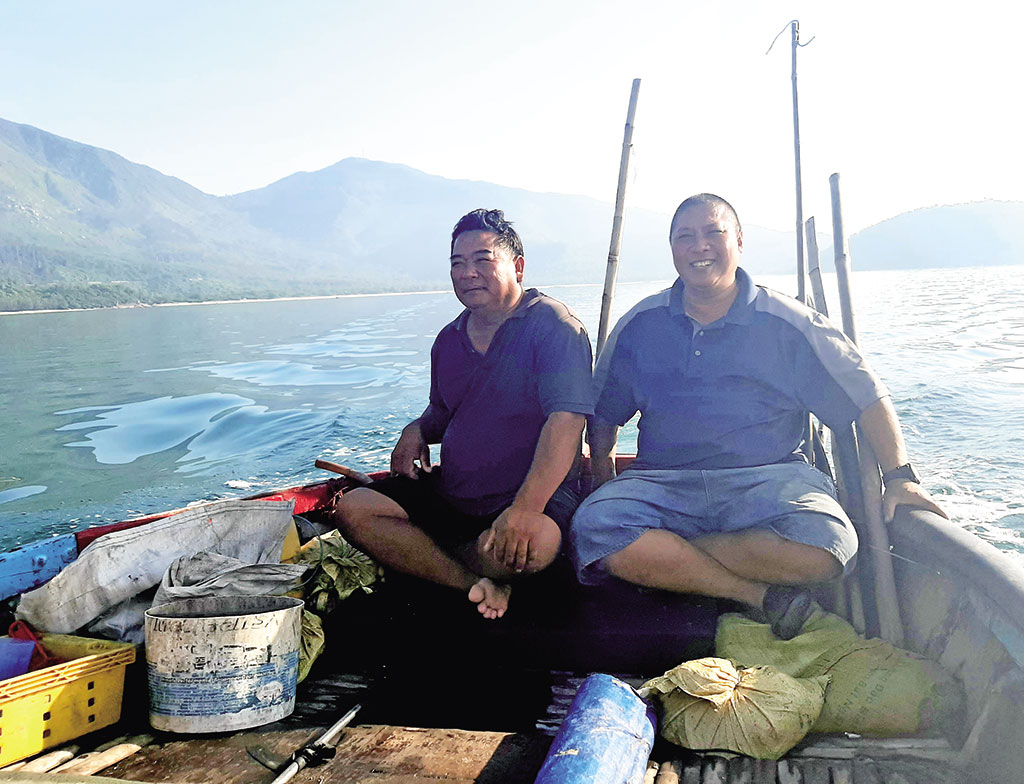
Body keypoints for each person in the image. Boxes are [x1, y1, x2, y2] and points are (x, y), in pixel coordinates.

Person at [569, 193, 946, 639]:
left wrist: (900, 476)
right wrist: (600, 472)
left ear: (740, 241)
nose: (699, 246)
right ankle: (759, 596)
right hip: (664, 482)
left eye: (714, 233)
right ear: (672, 250)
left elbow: (867, 395)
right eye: (685, 237)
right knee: (593, 529)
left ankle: (671, 560)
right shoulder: (641, 323)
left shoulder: (788, 322)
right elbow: (605, 413)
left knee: (833, 548)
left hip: (770, 481)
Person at [333, 208, 593, 620]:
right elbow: (442, 411)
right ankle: (475, 583)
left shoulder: (554, 326)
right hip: (454, 496)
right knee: (354, 508)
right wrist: (415, 429)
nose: (467, 272)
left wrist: (525, 508)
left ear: (518, 267)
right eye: (457, 263)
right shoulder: (448, 340)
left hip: (528, 497)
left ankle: (433, 558)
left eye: (482, 260)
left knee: (536, 543)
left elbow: (567, 420)